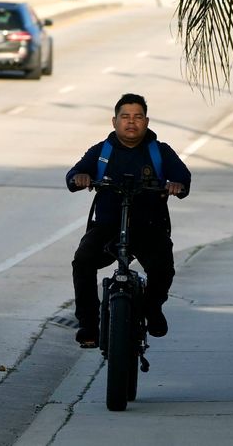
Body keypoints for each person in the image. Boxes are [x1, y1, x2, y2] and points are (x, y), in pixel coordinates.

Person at [66, 93, 191, 348]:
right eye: (125, 117)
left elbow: (183, 178)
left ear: (146, 121)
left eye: (137, 117)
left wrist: (177, 185)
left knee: (163, 267)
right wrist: (79, 177)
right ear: (114, 121)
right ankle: (89, 324)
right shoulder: (102, 151)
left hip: (149, 227)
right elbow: (74, 174)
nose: (131, 122)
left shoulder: (159, 151)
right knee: (83, 261)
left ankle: (152, 309)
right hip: (108, 227)